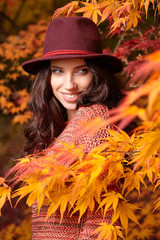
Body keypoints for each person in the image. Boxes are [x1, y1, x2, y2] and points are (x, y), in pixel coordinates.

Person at [22, 16, 123, 239]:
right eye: (58, 71)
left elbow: (100, 224)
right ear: (46, 76)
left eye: (81, 71)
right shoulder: (55, 129)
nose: (68, 84)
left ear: (97, 74)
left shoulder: (96, 124)